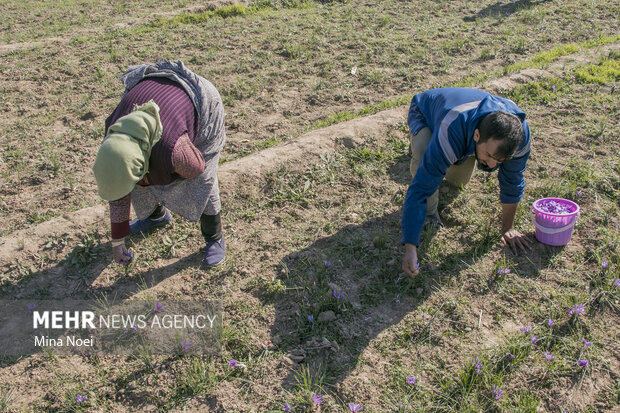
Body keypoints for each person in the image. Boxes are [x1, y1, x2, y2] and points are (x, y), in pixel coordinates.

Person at [93, 59, 226, 267]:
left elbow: (196, 168)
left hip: (203, 103)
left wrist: (157, 178)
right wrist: (117, 242)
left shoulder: (174, 150)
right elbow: (119, 189)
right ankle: (155, 216)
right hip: (161, 106)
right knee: (134, 178)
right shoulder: (115, 139)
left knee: (204, 182)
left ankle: (214, 238)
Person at [401, 87, 532, 277]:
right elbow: (421, 187)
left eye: (500, 160)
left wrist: (508, 228)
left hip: (468, 131)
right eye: (490, 155)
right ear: (477, 135)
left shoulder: (519, 136)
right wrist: (410, 248)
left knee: (457, 181)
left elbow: (512, 180)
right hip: (425, 112)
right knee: (424, 153)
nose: (493, 165)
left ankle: (462, 152)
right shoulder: (452, 126)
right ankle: (429, 212)